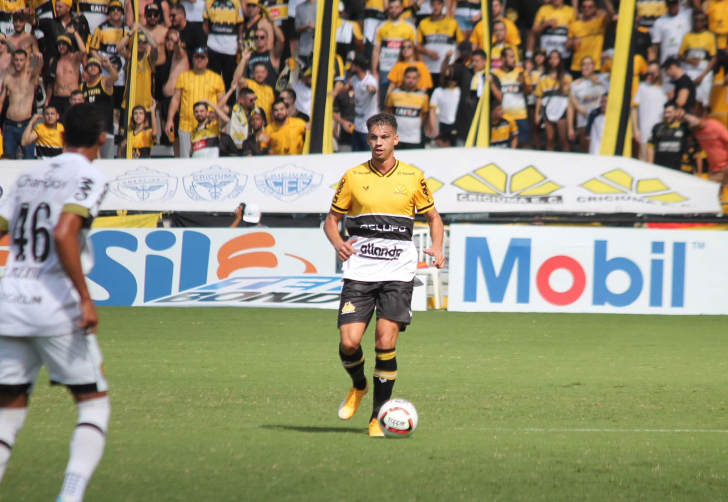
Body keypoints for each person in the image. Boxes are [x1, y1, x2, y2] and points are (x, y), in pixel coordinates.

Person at [0, 103, 110, 502]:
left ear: (61, 136)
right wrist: (85, 298)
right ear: (102, 138)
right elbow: (65, 233)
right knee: (93, 406)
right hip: (54, 306)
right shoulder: (89, 177)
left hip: (10, 302)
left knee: (7, 415)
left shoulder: (29, 174)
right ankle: (70, 496)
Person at [323, 112, 444, 438]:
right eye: (373, 137)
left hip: (397, 273)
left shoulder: (413, 176)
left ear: (395, 140)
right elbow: (331, 221)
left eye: (384, 137)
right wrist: (337, 243)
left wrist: (437, 247)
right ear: (368, 139)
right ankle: (358, 386)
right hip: (360, 271)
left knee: (385, 341)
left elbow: (434, 217)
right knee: (349, 343)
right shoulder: (352, 176)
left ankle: (378, 417)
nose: (378, 143)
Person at [165, 46, 225, 157]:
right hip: (186, 126)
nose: (199, 60)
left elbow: (222, 103)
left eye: (202, 57)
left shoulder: (216, 78)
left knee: (207, 159)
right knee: (186, 160)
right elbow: (175, 100)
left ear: (207, 60)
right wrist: (169, 120)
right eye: (197, 57)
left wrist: (217, 117)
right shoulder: (183, 77)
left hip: (209, 127)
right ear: (192, 59)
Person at [371, 0, 416, 108]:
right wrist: (374, 71)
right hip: (385, 69)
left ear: (401, 8)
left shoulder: (409, 27)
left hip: (403, 69)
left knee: (402, 102)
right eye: (391, 8)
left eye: (396, 7)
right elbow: (376, 50)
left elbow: (414, 51)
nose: (394, 10)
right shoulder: (381, 26)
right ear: (388, 9)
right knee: (385, 102)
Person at [330, 53, 378, 151]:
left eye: (353, 65)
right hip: (357, 126)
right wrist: (336, 92)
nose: (351, 67)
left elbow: (373, 90)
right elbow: (348, 87)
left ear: (358, 67)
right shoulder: (355, 79)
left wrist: (370, 89)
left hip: (368, 128)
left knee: (367, 156)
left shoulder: (370, 81)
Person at [0, 50, 43, 159]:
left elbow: (38, 68)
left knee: (29, 159)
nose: (18, 62)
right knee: (8, 159)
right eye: (16, 60)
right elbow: (1, 102)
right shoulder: (8, 78)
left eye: (21, 60)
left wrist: (38, 59)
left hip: (26, 125)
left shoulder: (30, 76)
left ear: (26, 61)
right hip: (10, 125)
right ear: (13, 60)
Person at [89, 0, 129, 116]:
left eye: (118, 10)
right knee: (106, 102)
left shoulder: (127, 29)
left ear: (122, 12)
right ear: (108, 12)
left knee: (119, 103)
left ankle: (116, 131)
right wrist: (102, 62)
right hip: (105, 72)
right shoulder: (100, 29)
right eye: (112, 10)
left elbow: (131, 51)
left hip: (121, 74)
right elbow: (93, 49)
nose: (115, 12)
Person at [204, 0, 244, 101]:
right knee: (212, 79)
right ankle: (211, 104)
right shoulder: (209, 2)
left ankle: (230, 107)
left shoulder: (236, 3)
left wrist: (239, 41)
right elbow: (205, 23)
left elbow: (240, 24)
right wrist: (206, 41)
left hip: (230, 48)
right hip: (213, 47)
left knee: (230, 80)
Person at [416, 0, 462, 88]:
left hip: (447, 68)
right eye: (434, 5)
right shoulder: (423, 23)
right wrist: (427, 52)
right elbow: (417, 46)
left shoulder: (452, 23)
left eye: (438, 4)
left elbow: (459, 43)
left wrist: (455, 62)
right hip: (429, 67)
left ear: (443, 6)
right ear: (430, 6)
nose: (436, 7)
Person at [493, 47, 531, 148]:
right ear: (503, 59)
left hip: (520, 116)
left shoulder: (521, 72)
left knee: (524, 145)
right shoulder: (495, 74)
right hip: (504, 118)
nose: (514, 59)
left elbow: (529, 92)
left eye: (514, 57)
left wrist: (523, 84)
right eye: (511, 57)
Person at [535, 50, 572, 152]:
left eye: (556, 58)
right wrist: (537, 114)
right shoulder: (543, 78)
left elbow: (570, 96)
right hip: (548, 110)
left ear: (560, 60)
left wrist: (567, 87)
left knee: (563, 139)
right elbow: (539, 97)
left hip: (561, 109)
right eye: (551, 58)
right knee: (549, 139)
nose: (553, 60)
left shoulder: (566, 77)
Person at [678, 11, 717, 108]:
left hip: (703, 70)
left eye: (701, 20)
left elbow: (714, 58)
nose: (698, 23)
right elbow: (680, 56)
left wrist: (703, 75)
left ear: (705, 22)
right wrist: (688, 60)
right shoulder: (687, 36)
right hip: (689, 69)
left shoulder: (710, 36)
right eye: (696, 20)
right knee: (689, 97)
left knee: (703, 100)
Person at [81, 56, 118, 159]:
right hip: (90, 130)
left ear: (100, 69)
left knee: (107, 162)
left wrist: (109, 66)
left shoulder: (104, 81)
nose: (93, 67)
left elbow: (115, 78)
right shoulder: (82, 86)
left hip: (105, 129)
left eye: (96, 65)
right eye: (90, 66)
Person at [567, 56, 606, 152]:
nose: (586, 66)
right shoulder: (576, 84)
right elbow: (571, 107)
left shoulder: (603, 80)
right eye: (584, 64)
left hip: (601, 121)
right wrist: (570, 128)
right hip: (584, 122)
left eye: (589, 64)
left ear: (594, 66)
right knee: (586, 150)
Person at [566, 0, 613, 78]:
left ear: (595, 9)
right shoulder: (575, 25)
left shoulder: (600, 22)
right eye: (584, 7)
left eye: (590, 7)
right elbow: (567, 46)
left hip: (594, 66)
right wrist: (572, 43)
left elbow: (611, 13)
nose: (586, 9)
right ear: (581, 9)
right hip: (577, 66)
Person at [385, 66, 429, 148]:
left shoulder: (423, 96)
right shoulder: (393, 93)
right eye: (408, 77)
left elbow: (425, 115)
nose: (410, 80)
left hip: (414, 139)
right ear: (403, 77)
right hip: (396, 138)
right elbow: (387, 112)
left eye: (414, 78)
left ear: (418, 79)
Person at [117, 26, 158, 112]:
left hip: (146, 104)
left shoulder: (150, 58)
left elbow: (154, 46)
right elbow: (119, 47)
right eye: (138, 41)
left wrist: (142, 28)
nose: (141, 44)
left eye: (144, 42)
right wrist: (131, 32)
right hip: (129, 103)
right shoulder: (130, 56)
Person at [632, 62, 669, 160]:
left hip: (662, 133)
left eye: (653, 74)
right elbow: (634, 108)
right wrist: (636, 129)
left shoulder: (668, 88)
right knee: (643, 162)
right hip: (645, 133)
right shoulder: (642, 87)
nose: (650, 76)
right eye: (648, 73)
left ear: (660, 72)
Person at [683, 110, 728, 189]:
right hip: (714, 169)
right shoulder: (696, 131)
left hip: (726, 165)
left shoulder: (714, 126)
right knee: (713, 196)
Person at [46, 30, 87, 119]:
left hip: (71, 99)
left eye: (64, 44)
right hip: (56, 98)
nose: (61, 47)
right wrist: (47, 100)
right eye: (59, 45)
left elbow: (83, 50)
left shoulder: (74, 58)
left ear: (69, 46)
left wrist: (75, 32)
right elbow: (51, 83)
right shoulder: (53, 60)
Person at [234, 52, 276, 123]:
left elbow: (272, 111)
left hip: (266, 125)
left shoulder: (270, 89)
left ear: (266, 74)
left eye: (262, 72)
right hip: (251, 122)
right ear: (253, 74)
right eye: (257, 72)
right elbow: (236, 78)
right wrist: (244, 59)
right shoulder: (248, 83)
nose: (259, 75)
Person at [647, 101, 689, 170]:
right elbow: (650, 147)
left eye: (669, 112)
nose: (666, 115)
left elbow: (698, 123)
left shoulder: (684, 128)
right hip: (659, 168)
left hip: (677, 170)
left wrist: (684, 115)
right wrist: (650, 167)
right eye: (665, 112)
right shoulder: (658, 127)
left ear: (677, 112)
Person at [649, 0, 691, 64]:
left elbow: (700, 10)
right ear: (666, 4)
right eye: (670, 3)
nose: (672, 6)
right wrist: (653, 64)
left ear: (678, 3)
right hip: (666, 63)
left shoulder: (687, 16)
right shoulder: (659, 22)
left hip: (685, 64)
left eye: (674, 3)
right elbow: (655, 46)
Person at [428, 72, 460, 138]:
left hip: (457, 125)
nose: (452, 82)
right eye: (450, 79)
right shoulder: (438, 91)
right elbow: (432, 112)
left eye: (454, 79)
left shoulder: (460, 90)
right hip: (442, 124)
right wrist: (435, 131)